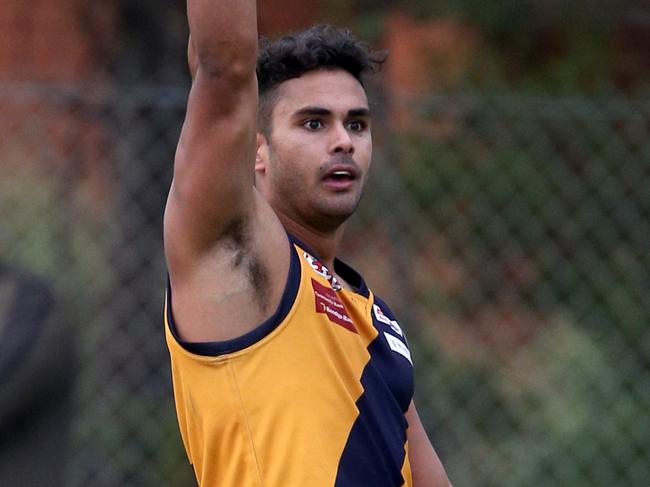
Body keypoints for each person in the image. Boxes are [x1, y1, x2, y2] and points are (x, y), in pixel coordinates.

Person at [164, 1, 453, 485]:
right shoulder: (237, 255)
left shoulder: (376, 318)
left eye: (356, 124)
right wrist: (224, 77)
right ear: (256, 150)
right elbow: (223, 67)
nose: (343, 141)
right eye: (314, 123)